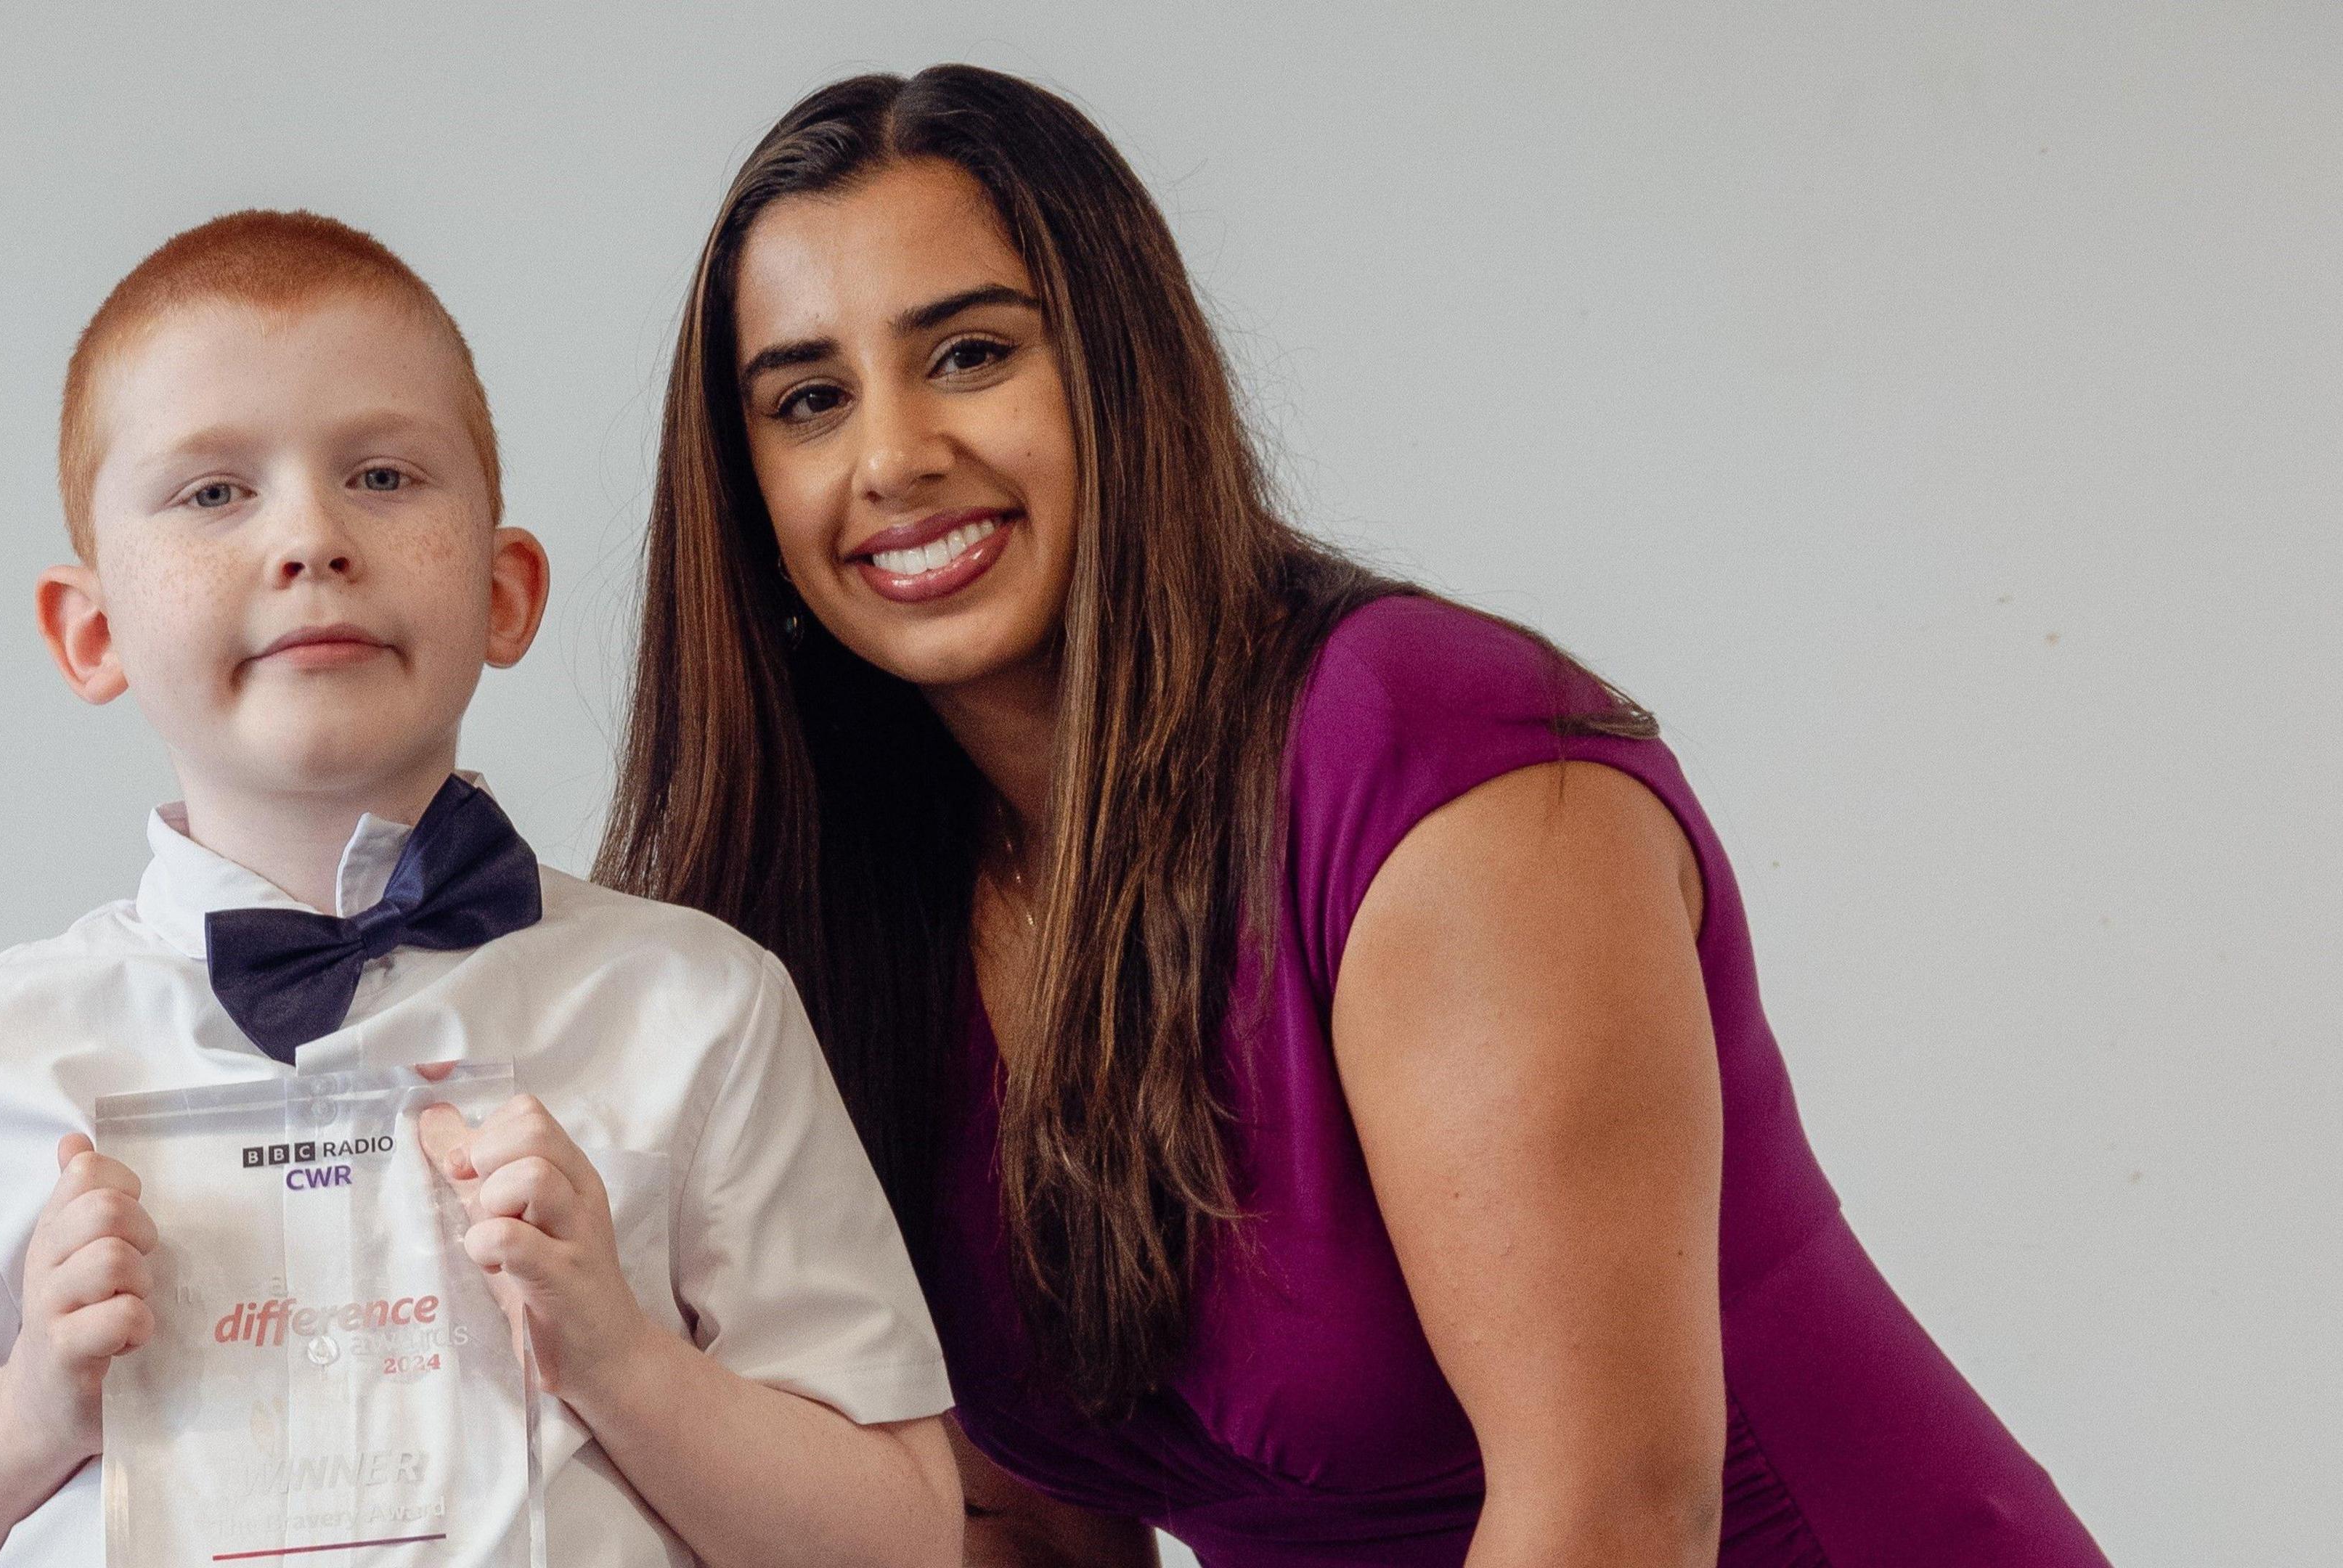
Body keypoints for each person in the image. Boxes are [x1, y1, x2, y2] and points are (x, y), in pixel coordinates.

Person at [598, 65, 2113, 1568]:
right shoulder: (856, 893)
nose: (892, 458)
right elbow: (1032, 1526)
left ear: (1125, 368)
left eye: (974, 354)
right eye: (808, 399)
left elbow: (1616, 1513)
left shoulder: (1429, 760)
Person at [0, 210, 961, 1568]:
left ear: (505, 592)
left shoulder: (700, 1008)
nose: (310, 536)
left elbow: (904, 1536)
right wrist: (30, 1411)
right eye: (213, 493)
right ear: (93, 631)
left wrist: (619, 1357)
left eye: (380, 475)